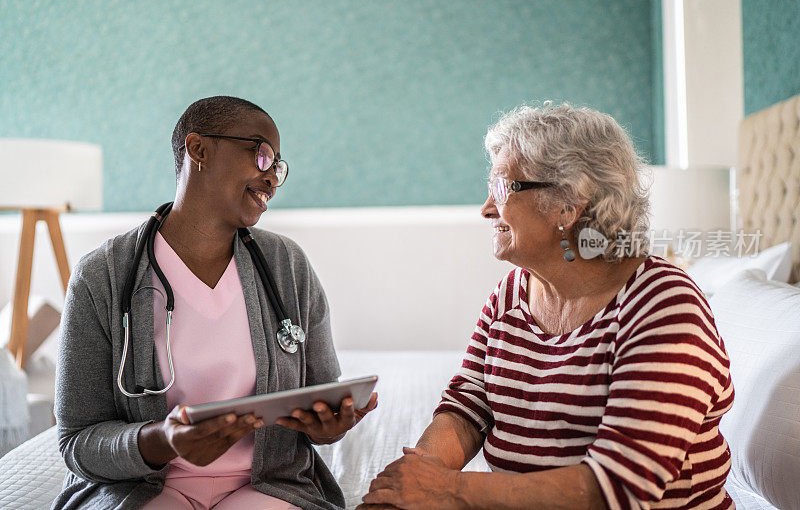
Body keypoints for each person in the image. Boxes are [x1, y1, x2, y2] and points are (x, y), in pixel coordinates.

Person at [360, 103, 734, 509]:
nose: (486, 208)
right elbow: (469, 405)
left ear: (568, 205)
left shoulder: (664, 305)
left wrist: (448, 491)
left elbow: (622, 485)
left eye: (503, 188)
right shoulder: (512, 294)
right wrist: (408, 488)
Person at [53, 96, 377, 510]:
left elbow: (323, 396)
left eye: (278, 168)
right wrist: (163, 441)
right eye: (262, 156)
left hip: (267, 488)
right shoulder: (103, 276)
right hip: (141, 488)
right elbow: (77, 441)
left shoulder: (287, 266)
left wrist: (329, 427)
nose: (272, 179)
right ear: (199, 150)